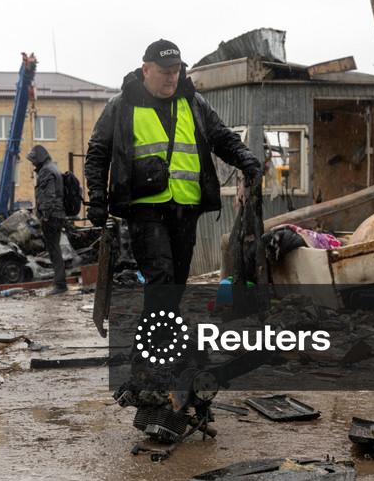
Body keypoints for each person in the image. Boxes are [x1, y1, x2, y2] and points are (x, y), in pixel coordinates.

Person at [84, 39, 262, 317]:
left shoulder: (192, 102)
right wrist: (96, 197)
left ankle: (160, 342)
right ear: (146, 70)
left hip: (186, 207)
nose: (172, 76)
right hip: (145, 208)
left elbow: (221, 137)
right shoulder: (122, 106)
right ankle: (152, 348)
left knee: (177, 282)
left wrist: (246, 159)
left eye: (176, 70)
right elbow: (97, 152)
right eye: (165, 70)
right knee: (161, 278)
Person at [27, 144, 68, 296]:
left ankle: (60, 285)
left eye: (33, 160)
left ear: (39, 158)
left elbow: (48, 196)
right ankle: (59, 283)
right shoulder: (52, 168)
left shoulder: (46, 171)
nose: (32, 163)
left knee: (54, 250)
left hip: (52, 216)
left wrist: (45, 215)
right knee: (54, 249)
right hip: (57, 214)